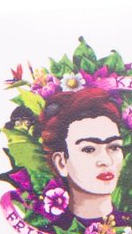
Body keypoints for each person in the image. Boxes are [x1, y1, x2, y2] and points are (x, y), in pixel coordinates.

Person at [39, 88, 125, 222]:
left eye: (114, 147)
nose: (106, 160)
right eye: (89, 149)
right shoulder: (50, 231)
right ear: (61, 163)